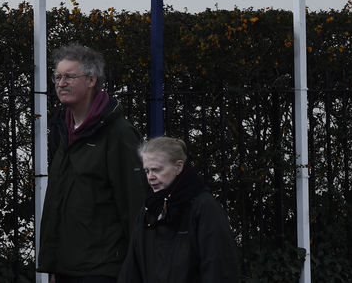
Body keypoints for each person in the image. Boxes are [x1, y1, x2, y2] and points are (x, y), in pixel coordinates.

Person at [38, 44, 148, 283]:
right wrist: (53, 264)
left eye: (69, 76)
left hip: (102, 269)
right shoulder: (62, 130)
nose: (60, 82)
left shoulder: (119, 134)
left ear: (91, 80)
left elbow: (134, 202)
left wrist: (138, 269)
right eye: (57, 76)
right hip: (66, 268)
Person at [118, 136, 240, 283]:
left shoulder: (203, 207)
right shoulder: (148, 211)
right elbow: (132, 269)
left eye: (157, 169)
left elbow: (219, 267)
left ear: (179, 166)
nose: (150, 177)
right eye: (147, 171)